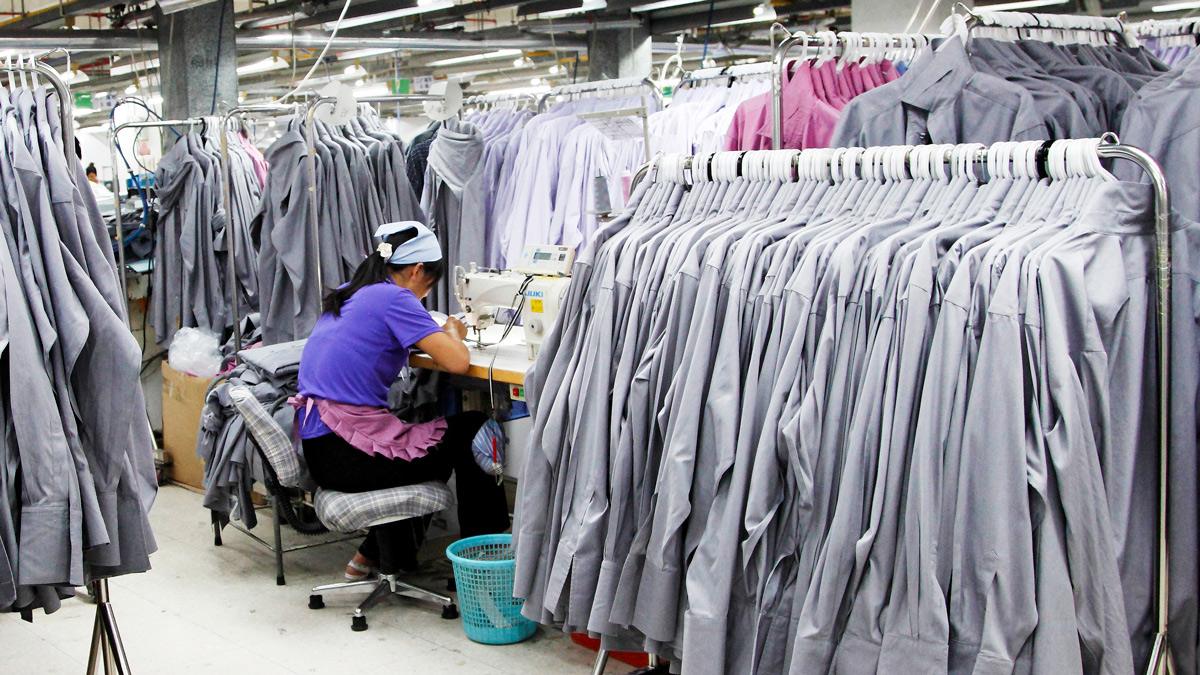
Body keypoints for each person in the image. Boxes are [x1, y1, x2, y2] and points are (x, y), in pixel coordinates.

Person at [293, 221, 509, 581]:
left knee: (430, 442)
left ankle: (374, 554)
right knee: (473, 430)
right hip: (347, 454)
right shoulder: (394, 298)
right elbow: (457, 360)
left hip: (323, 447)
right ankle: (482, 567)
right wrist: (451, 332)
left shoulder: (352, 291)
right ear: (416, 270)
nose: (423, 295)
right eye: (428, 285)